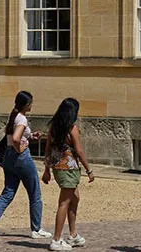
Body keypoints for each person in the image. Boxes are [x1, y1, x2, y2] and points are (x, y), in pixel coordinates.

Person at [0, 91, 52, 241]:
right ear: (27, 105)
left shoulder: (13, 116)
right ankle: (36, 229)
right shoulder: (22, 119)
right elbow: (16, 138)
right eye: (31, 103)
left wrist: (31, 136)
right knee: (35, 194)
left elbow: (14, 136)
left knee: (7, 193)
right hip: (21, 158)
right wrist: (21, 149)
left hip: (9, 158)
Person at [42, 98, 94, 251]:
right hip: (69, 169)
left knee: (75, 198)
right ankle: (56, 239)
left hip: (58, 168)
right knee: (64, 203)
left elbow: (47, 150)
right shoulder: (72, 128)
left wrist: (46, 170)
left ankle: (72, 235)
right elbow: (79, 151)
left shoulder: (54, 128)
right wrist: (89, 170)